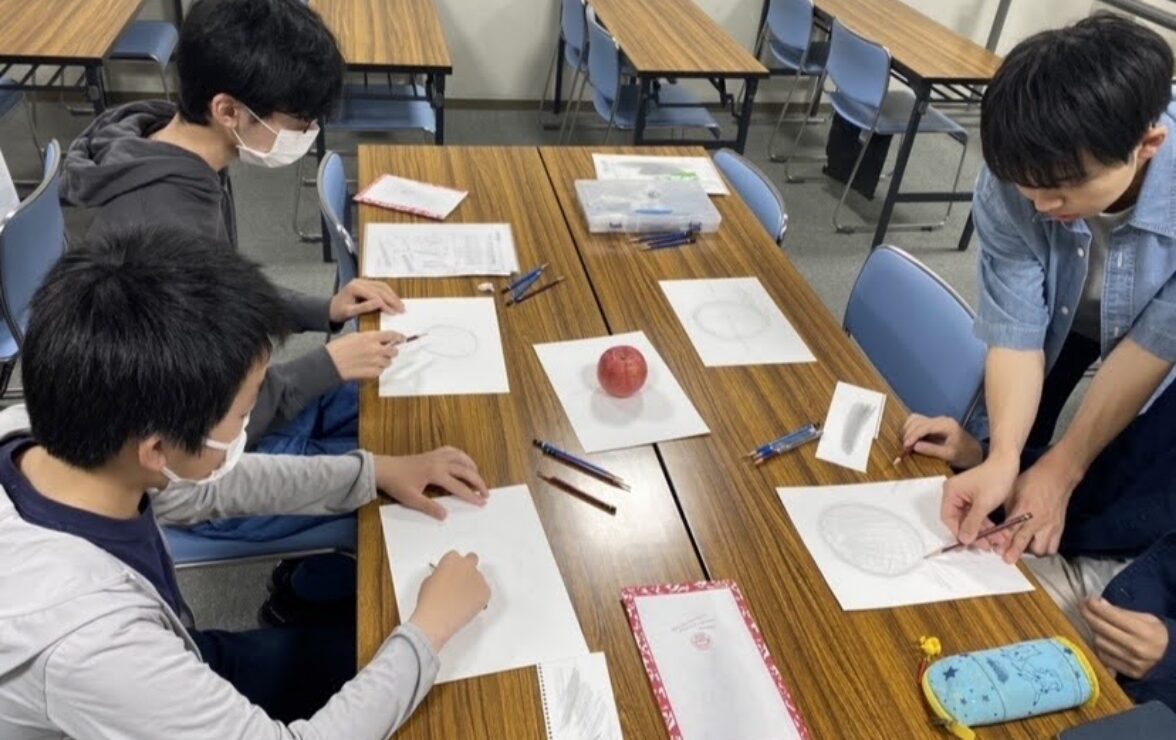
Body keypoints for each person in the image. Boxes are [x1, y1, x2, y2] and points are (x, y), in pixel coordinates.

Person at [0, 224, 492, 736]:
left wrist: (376, 471)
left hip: (166, 650)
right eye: (243, 413)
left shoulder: (47, 434)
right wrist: (429, 631)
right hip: (122, 683)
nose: (248, 424)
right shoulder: (93, 646)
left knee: (354, 653)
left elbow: (211, 487)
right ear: (157, 449)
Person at [904, 14, 1176, 709]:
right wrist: (1001, 459)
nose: (1042, 204)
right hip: (1063, 306)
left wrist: (1066, 466)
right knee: (1014, 457)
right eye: (1027, 188)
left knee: (1100, 467)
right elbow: (1019, 333)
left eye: (1062, 188)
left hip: (1151, 329)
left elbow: (1149, 349)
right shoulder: (1020, 175)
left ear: (1148, 145)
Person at [60, 0, 396, 451]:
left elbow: (221, 290)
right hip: (208, 449)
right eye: (299, 122)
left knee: (390, 395)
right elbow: (203, 434)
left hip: (234, 396)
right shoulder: (160, 236)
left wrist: (325, 309)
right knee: (392, 447)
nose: (308, 132)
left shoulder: (172, 152)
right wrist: (327, 366)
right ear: (227, 110)